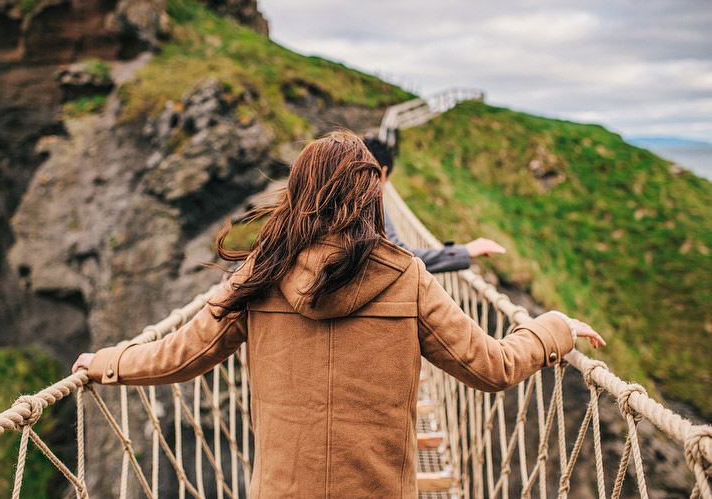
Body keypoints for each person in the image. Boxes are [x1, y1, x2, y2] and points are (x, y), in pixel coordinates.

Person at [72, 130, 605, 498]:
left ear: (298, 192)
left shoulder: (260, 274)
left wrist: (104, 362)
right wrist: (553, 328)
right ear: (373, 194)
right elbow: (494, 367)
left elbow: (179, 356)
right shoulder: (407, 275)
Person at [363, 135, 506, 273]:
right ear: (383, 172)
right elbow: (399, 256)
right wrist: (465, 251)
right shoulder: (371, 201)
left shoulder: (343, 191)